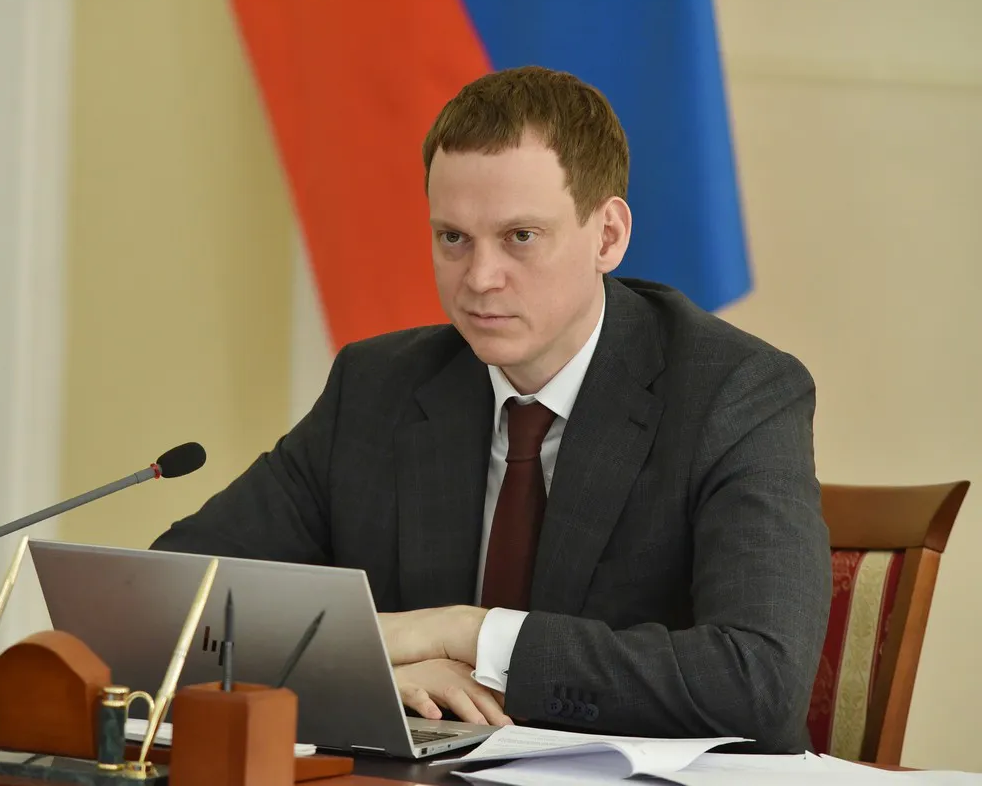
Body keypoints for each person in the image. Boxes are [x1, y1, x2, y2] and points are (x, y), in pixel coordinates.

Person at [151, 65, 831, 754]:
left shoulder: (734, 393)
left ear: (607, 236)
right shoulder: (379, 387)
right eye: (453, 237)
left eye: (520, 237)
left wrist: (467, 633)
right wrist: (367, 665)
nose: (478, 278)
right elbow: (170, 601)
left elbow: (760, 682)